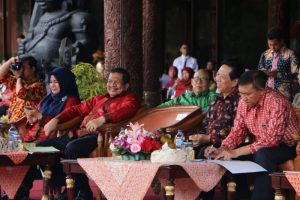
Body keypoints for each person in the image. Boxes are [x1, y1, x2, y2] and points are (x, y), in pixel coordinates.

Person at [42, 67, 141, 199]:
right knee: (41, 147)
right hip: (78, 134)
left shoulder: (130, 99)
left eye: (116, 82)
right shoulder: (100, 99)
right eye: (110, 81)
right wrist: (56, 119)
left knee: (72, 148)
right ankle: (65, 185)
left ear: (126, 85)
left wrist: (103, 119)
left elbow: (127, 110)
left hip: (100, 137)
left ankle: (83, 191)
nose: (112, 85)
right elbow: (77, 109)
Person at [208, 70, 300, 200]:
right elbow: (237, 132)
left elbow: (271, 140)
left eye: (247, 94)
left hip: (290, 147)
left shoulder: (277, 102)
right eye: (240, 94)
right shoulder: (243, 102)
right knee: (226, 157)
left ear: (262, 91)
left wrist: (235, 152)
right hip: (261, 146)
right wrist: (223, 148)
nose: (243, 98)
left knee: (263, 154)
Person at [188, 59, 245, 200]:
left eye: (222, 77)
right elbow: (206, 125)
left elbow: (237, 130)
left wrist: (209, 140)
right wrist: (198, 138)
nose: (217, 79)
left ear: (234, 82)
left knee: (203, 152)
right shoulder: (216, 99)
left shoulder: (241, 100)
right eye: (217, 75)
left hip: (233, 145)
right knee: (187, 152)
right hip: (210, 144)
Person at [18, 0, 97, 68]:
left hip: (58, 73)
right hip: (33, 71)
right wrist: (25, 46)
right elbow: (33, 38)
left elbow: (90, 43)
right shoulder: (41, 18)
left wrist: (74, 49)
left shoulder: (77, 17)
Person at [23, 67, 80, 142]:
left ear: (65, 82)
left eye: (56, 82)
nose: (52, 85)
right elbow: (36, 118)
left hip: (52, 140)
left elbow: (63, 124)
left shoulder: (72, 101)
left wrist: (40, 117)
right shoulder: (48, 99)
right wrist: (31, 118)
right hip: (33, 138)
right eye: (50, 82)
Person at [0, 56, 46, 124]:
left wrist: (19, 77)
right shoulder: (19, 82)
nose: (21, 69)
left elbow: (21, 93)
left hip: (26, 129)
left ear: (33, 69)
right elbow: (1, 75)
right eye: (20, 66)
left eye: (24, 67)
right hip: (13, 126)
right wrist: (10, 61)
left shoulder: (39, 86)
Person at [258, 27, 298, 101]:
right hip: (266, 93)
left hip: (284, 94)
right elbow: (259, 70)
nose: (272, 47)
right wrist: (265, 72)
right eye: (270, 44)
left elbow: (295, 75)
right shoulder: (265, 54)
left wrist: (278, 74)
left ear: (281, 41)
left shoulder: (290, 54)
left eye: (275, 44)